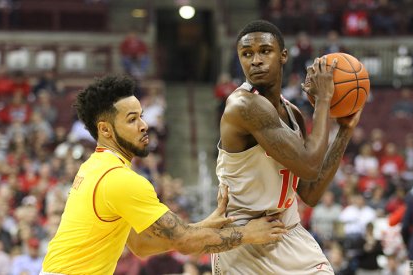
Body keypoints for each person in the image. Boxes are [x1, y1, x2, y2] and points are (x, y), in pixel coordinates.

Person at [40, 75, 287, 274]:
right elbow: (183, 241)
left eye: (142, 116)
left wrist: (201, 226)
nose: (144, 125)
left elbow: (141, 245)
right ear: (105, 129)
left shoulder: (95, 166)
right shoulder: (119, 179)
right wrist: (248, 234)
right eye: (132, 119)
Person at [212, 20, 362, 274]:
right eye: (247, 54)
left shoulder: (293, 114)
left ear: (283, 56)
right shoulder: (243, 106)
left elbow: (311, 192)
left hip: (288, 230)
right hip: (246, 238)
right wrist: (325, 99)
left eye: (265, 51)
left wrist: (344, 131)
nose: (255, 60)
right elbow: (311, 165)